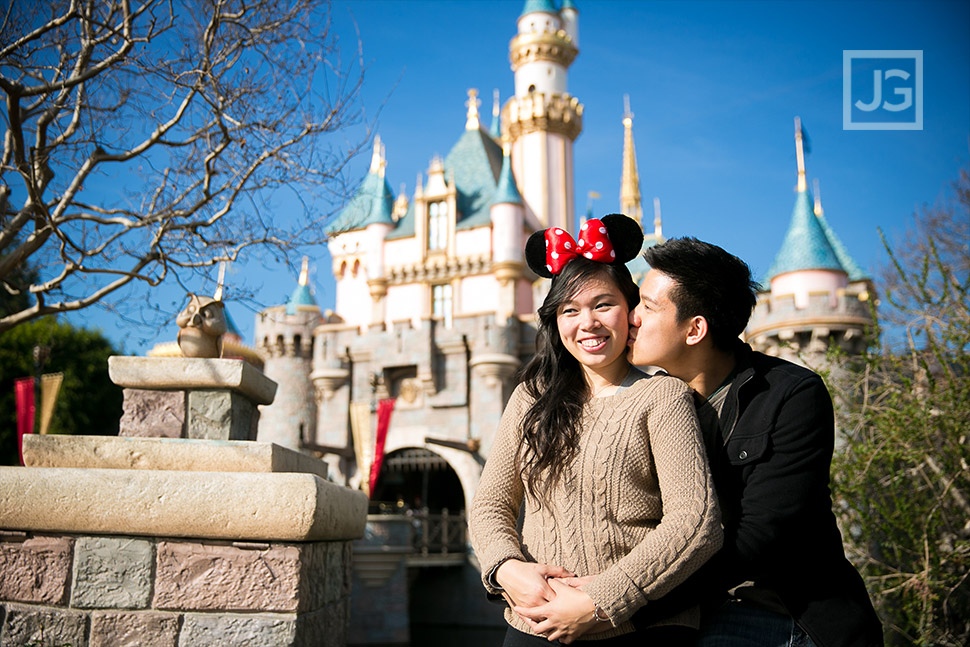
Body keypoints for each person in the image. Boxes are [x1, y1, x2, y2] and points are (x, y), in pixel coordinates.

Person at [469, 216, 722, 645]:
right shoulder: (531, 399)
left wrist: (600, 602)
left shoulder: (662, 397)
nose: (586, 322)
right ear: (556, 322)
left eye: (603, 305)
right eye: (570, 310)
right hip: (534, 626)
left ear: (631, 311)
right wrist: (506, 570)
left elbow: (695, 522)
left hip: (638, 628)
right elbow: (490, 504)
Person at [624, 237, 883, 647]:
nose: (631, 317)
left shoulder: (791, 394)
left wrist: (627, 604)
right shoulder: (640, 400)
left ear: (695, 329)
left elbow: (760, 538)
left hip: (775, 613)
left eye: (647, 306)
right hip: (681, 609)